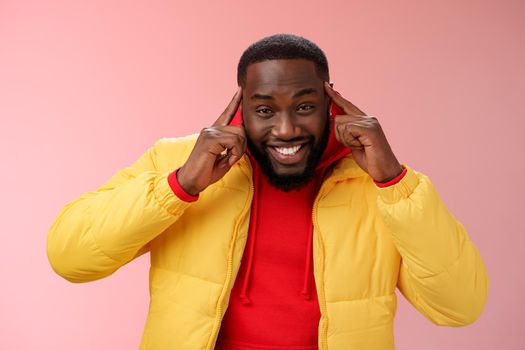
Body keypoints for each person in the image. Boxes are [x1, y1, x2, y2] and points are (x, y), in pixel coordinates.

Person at [47, 34, 489, 350]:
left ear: (331, 104)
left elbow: (458, 307)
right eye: (264, 110)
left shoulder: (380, 183)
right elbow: (70, 258)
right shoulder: (178, 162)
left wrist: (395, 181)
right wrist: (181, 186)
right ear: (241, 106)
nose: (286, 129)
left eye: (304, 106)